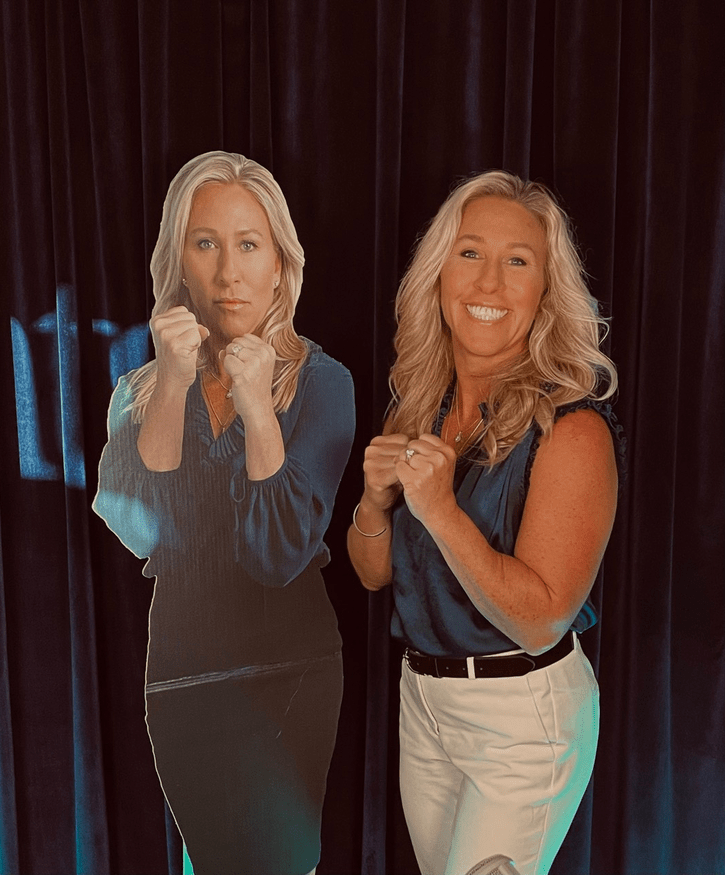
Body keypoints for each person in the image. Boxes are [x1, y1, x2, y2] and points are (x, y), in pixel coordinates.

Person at [348, 170, 623, 875]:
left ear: (544, 292)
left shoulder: (572, 430)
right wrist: (373, 503)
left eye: (517, 261)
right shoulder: (419, 405)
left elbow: (540, 621)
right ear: (438, 273)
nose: (489, 282)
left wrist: (439, 509)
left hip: (522, 718)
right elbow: (373, 574)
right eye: (469, 252)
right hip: (425, 703)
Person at [93, 151, 354, 875]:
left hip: (290, 669)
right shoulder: (137, 391)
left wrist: (257, 409)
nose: (228, 271)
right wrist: (174, 382)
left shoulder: (324, 383)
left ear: (280, 265)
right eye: (205, 243)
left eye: (249, 245)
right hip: (184, 676)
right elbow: (139, 528)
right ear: (178, 261)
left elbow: (279, 554)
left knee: (282, 862)